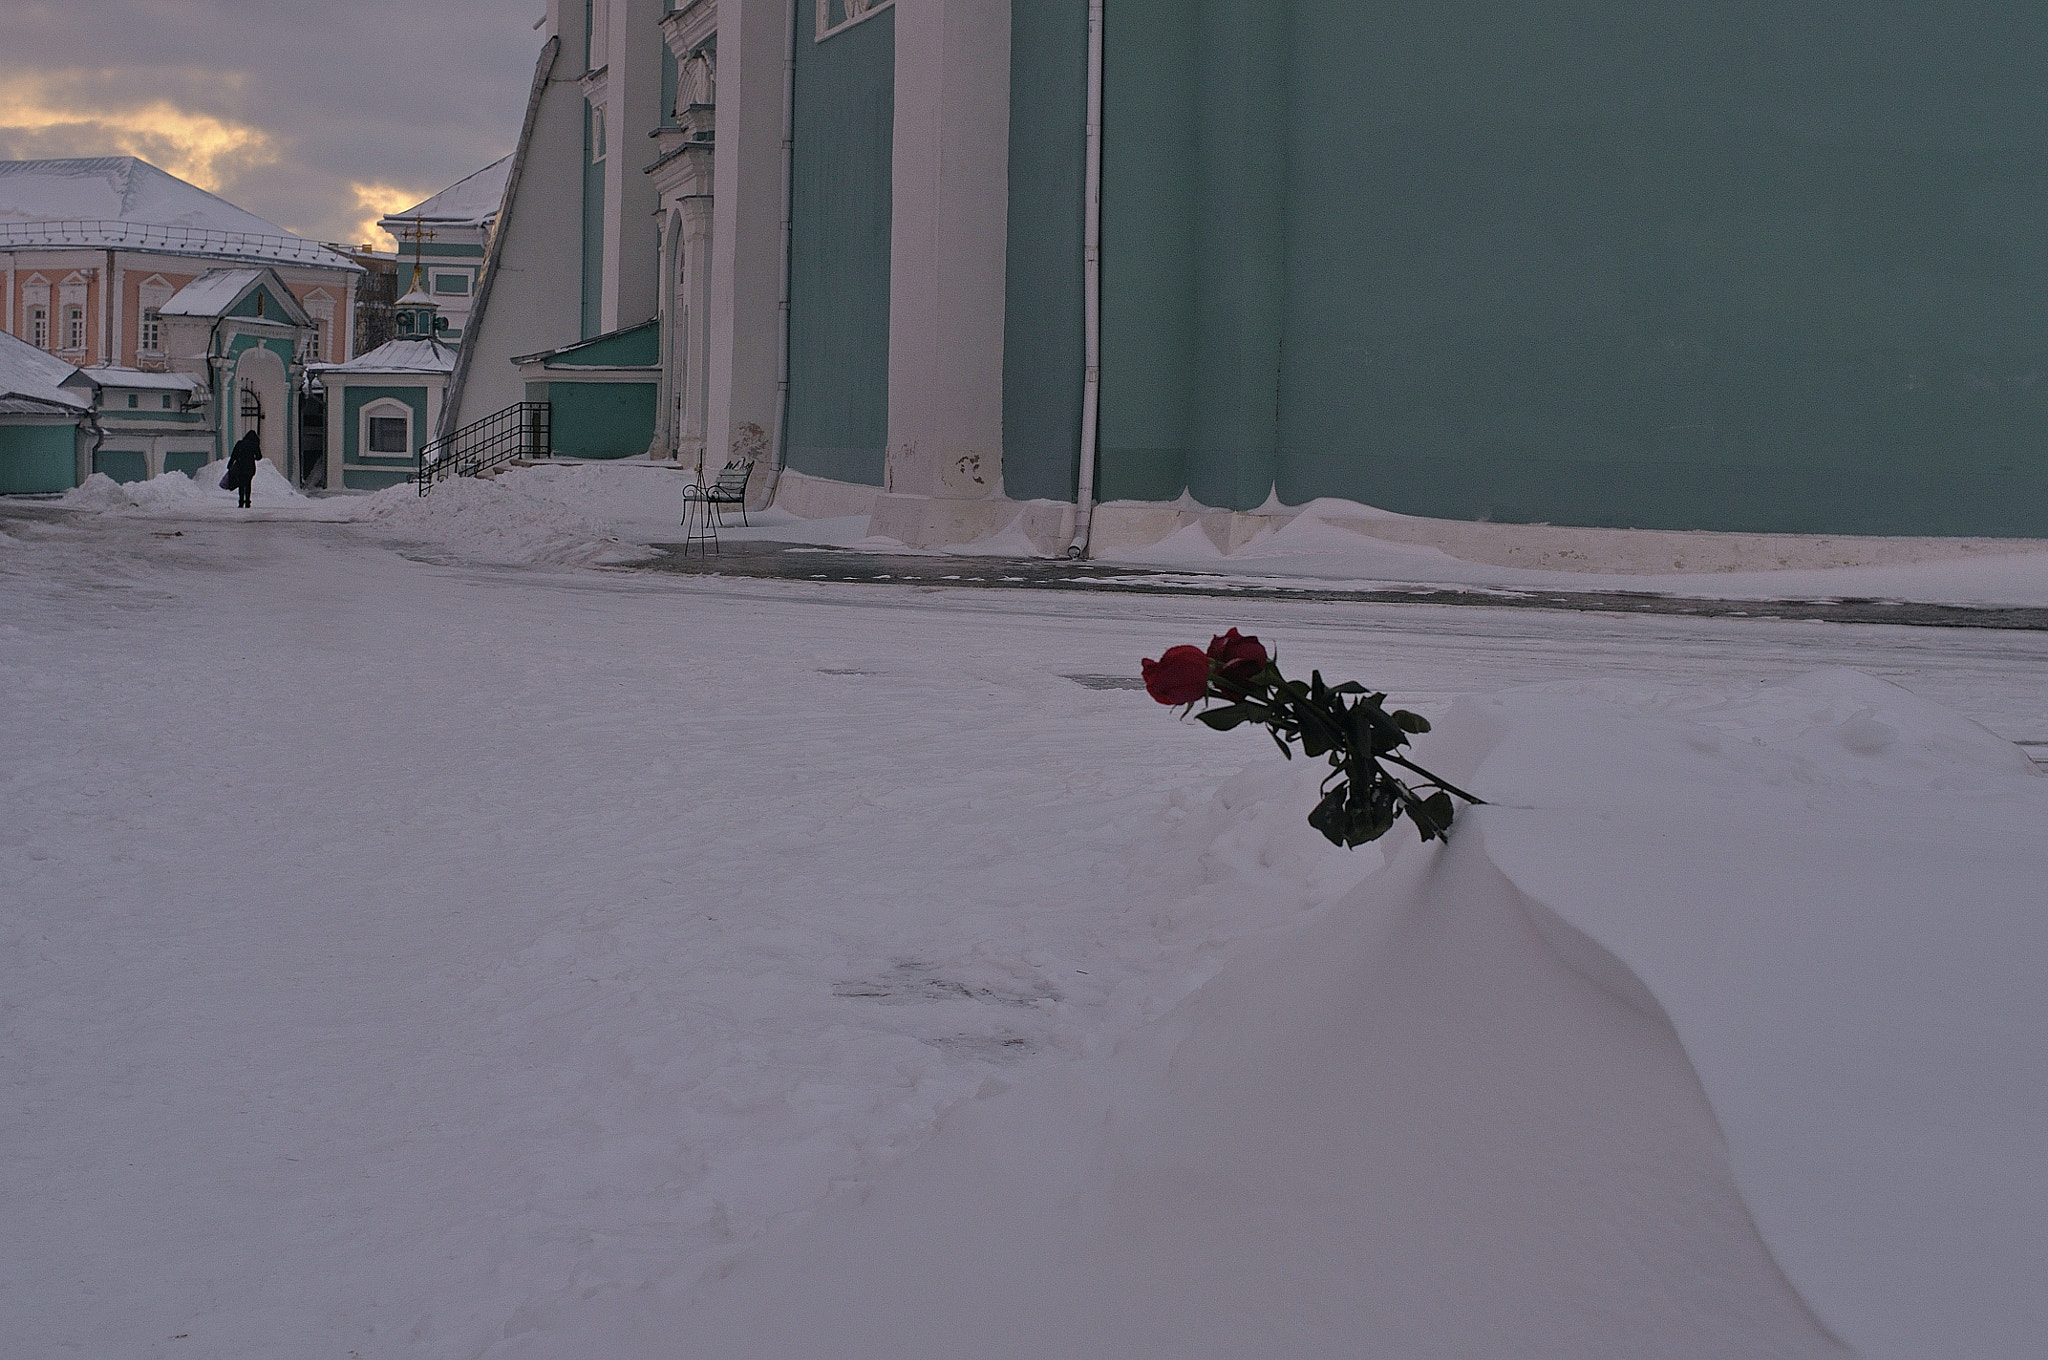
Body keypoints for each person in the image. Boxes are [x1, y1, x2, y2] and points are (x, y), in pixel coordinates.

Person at [224, 430, 261, 509]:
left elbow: (234, 454)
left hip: (240, 466)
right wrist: (253, 457)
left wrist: (230, 464)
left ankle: (241, 501)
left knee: (241, 484)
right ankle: (247, 502)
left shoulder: (240, 443)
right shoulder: (254, 445)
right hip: (250, 468)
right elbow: (259, 457)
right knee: (248, 484)